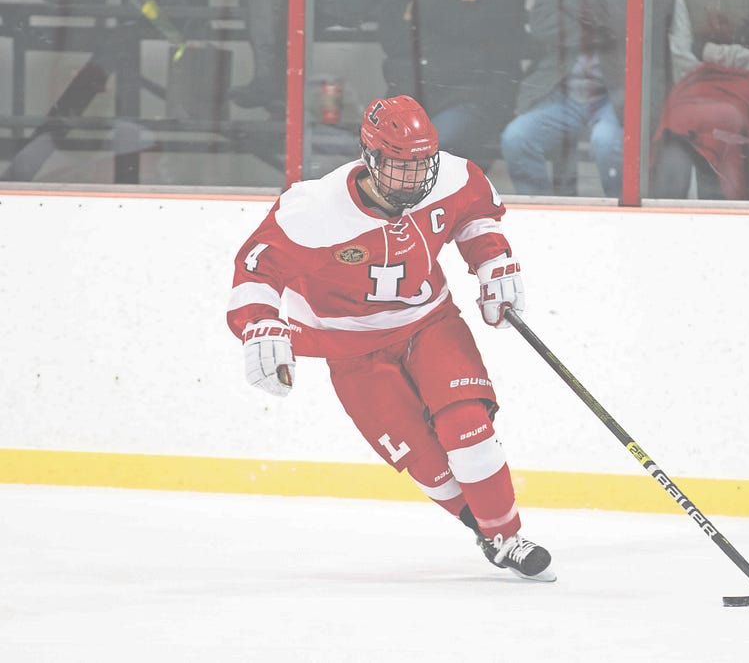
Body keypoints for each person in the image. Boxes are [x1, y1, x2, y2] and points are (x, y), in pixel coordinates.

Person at [226, 95, 554, 582]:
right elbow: (256, 269)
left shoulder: (454, 178)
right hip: (349, 348)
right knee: (426, 461)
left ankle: (508, 536)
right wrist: (259, 322)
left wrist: (491, 260)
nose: (415, 178)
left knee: (468, 428)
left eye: (423, 164)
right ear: (370, 157)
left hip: (429, 322)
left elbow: (475, 217)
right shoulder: (314, 209)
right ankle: (484, 531)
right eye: (401, 167)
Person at [325, 0, 526, 172]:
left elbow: (476, 27)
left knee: (423, 151)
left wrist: (425, 7)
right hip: (409, 94)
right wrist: (451, 10)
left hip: (474, 96)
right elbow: (394, 39)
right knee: (371, 151)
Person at [500, 0, 672, 198]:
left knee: (607, 143)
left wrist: (570, 9)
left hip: (616, 94)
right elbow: (541, 23)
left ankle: (622, 217)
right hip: (562, 91)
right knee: (517, 138)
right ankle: (546, 216)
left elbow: (626, 21)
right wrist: (597, 28)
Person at [650, 0, 749, 200]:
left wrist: (709, 52)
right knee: (677, 130)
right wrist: (729, 61)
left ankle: (729, 209)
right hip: (699, 93)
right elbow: (682, 58)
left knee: (723, 122)